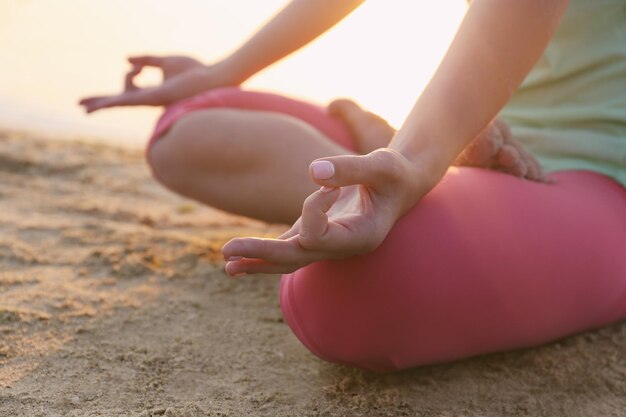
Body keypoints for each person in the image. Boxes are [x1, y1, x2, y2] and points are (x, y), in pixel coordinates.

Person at [80, 0, 626, 372]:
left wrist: (413, 161)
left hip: (600, 176)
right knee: (186, 129)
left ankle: (402, 165)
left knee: (347, 291)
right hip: (474, 124)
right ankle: (399, 163)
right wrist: (221, 72)